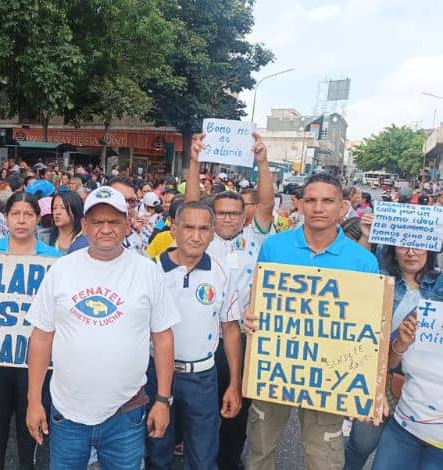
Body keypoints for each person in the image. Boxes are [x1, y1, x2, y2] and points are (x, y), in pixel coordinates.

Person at [25, 186, 181, 470]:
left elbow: (163, 338)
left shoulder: (146, 271)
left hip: (126, 412)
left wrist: (163, 399)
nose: (106, 229)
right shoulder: (62, 270)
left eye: (114, 221)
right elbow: (41, 337)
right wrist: (34, 401)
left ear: (127, 224)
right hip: (67, 413)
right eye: (97, 222)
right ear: (84, 225)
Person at [243, 173, 380, 470]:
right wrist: (250, 316)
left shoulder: (363, 261)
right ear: (300, 205)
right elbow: (258, 300)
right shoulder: (274, 247)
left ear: (343, 207)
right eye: (311, 200)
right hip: (275, 367)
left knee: (324, 459)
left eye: (328, 201)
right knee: (259, 451)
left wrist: (367, 389)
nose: (318, 208)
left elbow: (367, 328)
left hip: (329, 376)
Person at [186, 132, 274, 470]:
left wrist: (263, 161)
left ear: (244, 215)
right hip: (204, 339)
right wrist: (194, 161)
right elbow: (193, 202)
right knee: (204, 413)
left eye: (234, 213)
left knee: (238, 411)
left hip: (244, 338)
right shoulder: (202, 237)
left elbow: (266, 202)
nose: (226, 218)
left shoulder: (256, 238)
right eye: (220, 213)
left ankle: (228, 461)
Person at [146, 201, 243, 470]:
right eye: (188, 227)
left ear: (212, 233)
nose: (196, 236)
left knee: (203, 458)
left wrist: (234, 384)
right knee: (157, 453)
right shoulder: (150, 271)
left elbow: (230, 328)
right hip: (156, 375)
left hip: (203, 378)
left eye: (203, 229)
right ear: (173, 229)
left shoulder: (222, 271)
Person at [0, 192, 60, 469]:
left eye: (28, 215)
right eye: (15, 214)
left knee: (30, 418)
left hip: (35, 357)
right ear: (6, 218)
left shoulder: (56, 259)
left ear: (37, 219)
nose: (21, 221)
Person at [349, 246, 442, 469]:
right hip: (380, 374)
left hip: (420, 386)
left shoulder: (439, 284)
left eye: (419, 246)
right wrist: (364, 236)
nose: (411, 253)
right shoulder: (378, 277)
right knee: (362, 444)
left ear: (431, 248)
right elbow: (353, 287)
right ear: (392, 249)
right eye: (403, 246)